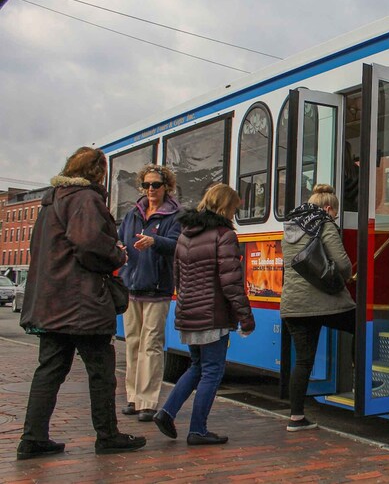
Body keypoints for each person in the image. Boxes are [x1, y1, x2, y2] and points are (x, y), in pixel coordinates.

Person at [18, 147, 147, 460]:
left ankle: (33, 438)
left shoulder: (52, 201)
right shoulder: (86, 198)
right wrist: (117, 254)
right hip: (82, 302)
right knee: (101, 371)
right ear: (96, 171)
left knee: (49, 370)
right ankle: (107, 435)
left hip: (51, 303)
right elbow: (88, 242)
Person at [152, 183, 255, 446]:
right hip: (213, 314)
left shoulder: (185, 235)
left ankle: (166, 412)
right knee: (212, 371)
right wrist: (245, 316)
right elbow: (231, 282)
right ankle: (197, 429)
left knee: (197, 366)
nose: (234, 214)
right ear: (226, 207)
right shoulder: (224, 235)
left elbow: (178, 277)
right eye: (234, 208)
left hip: (188, 311)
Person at [280, 184, 354, 432]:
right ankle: (361, 381)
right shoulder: (324, 223)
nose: (335, 217)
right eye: (335, 213)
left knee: (302, 362)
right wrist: (348, 275)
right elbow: (342, 265)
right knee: (363, 327)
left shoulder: (290, 226)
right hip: (326, 303)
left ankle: (296, 417)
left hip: (294, 305)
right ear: (329, 208)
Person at [118, 164, 181, 422]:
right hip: (131, 286)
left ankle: (147, 401)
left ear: (167, 186)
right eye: (146, 185)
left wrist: (155, 241)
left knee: (151, 345)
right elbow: (120, 238)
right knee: (132, 343)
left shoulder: (174, 215)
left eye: (156, 184)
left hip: (157, 288)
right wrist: (119, 247)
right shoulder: (133, 213)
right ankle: (132, 397)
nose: (151, 189)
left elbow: (178, 245)